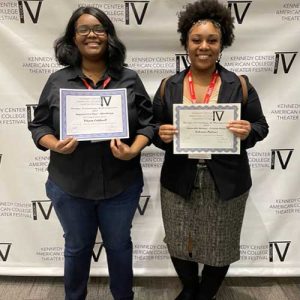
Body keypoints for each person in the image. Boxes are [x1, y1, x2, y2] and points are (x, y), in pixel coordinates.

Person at [28, 6, 154, 300]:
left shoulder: (130, 79)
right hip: (69, 185)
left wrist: (132, 150)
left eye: (99, 28)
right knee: (76, 247)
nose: (92, 35)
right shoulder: (58, 81)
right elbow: (39, 125)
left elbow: (149, 125)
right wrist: (55, 144)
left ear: (109, 36)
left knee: (120, 246)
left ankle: (123, 297)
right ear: (73, 37)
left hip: (121, 183)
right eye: (83, 29)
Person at [153, 1, 269, 299]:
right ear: (186, 43)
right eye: (196, 40)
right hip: (179, 178)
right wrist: (159, 133)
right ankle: (190, 289)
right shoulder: (169, 85)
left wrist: (247, 132)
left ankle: (205, 294)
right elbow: (152, 127)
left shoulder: (240, 85)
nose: (203, 46)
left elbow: (260, 126)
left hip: (226, 180)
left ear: (222, 44)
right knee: (179, 241)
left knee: (222, 244)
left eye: (212, 40)